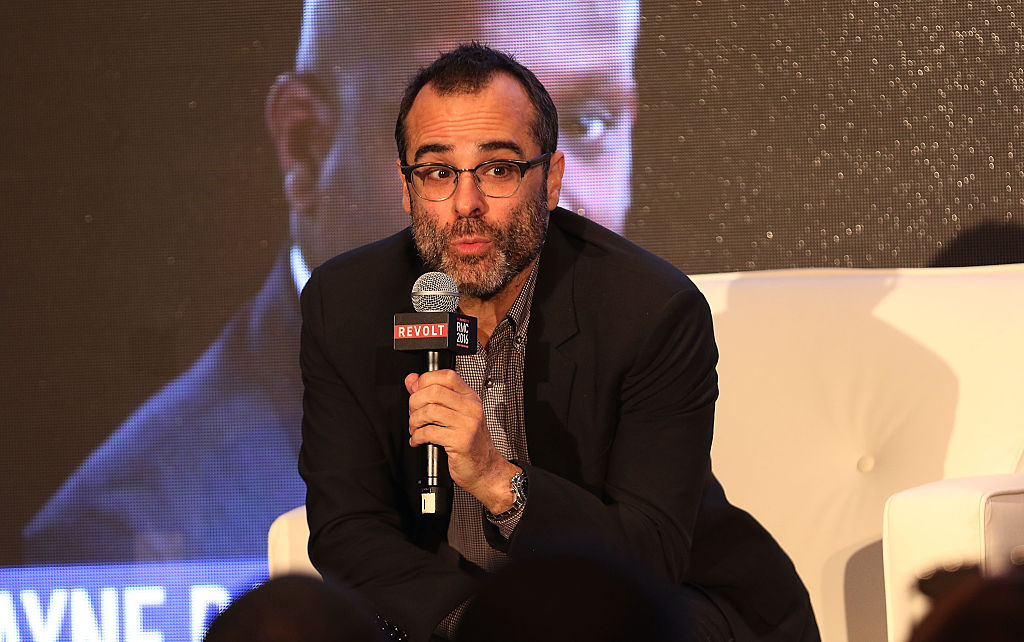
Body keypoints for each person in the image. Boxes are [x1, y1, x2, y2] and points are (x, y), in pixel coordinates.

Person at [23, 0, 639, 562]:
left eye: (589, 122)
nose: (529, 198)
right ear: (307, 146)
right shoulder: (127, 534)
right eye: (443, 151)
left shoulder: (652, 416)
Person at [299, 43, 818, 642]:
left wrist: (498, 479)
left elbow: (650, 553)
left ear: (550, 180)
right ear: (408, 186)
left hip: (658, 605)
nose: (466, 204)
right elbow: (347, 526)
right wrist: (475, 626)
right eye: (438, 173)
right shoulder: (346, 304)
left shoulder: (649, 311)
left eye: (498, 169)